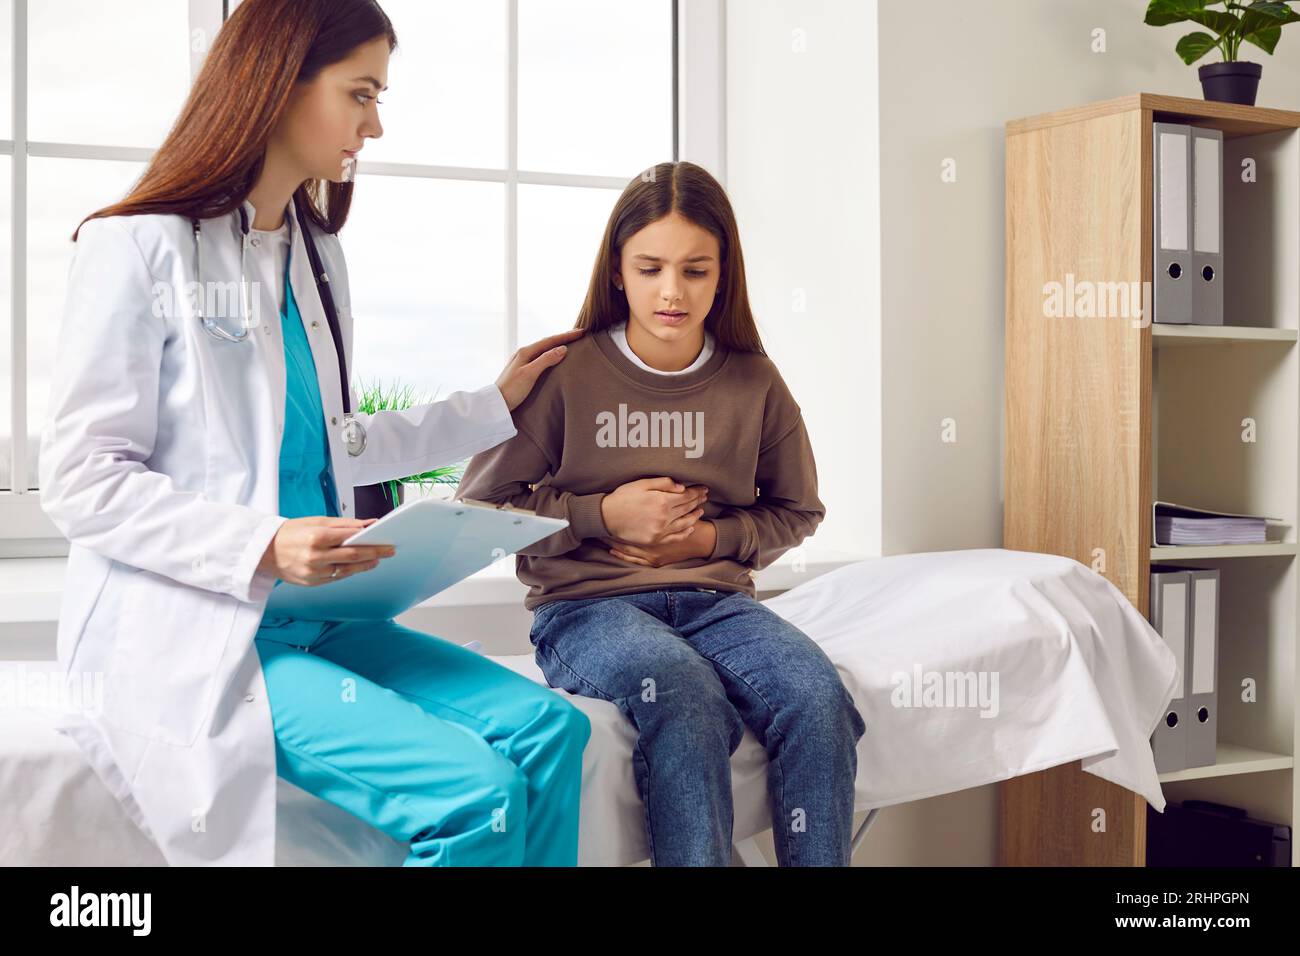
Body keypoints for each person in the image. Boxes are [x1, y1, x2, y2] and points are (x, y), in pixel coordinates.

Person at [39, 0, 589, 867]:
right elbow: (81, 479)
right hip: (213, 630)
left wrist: (493, 404)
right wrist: (264, 543)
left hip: (320, 617)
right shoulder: (136, 249)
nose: (376, 122)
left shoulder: (314, 255)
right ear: (278, 83)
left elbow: (336, 440)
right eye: (361, 92)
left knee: (552, 731)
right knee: (473, 793)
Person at [456, 160, 867, 866]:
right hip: (586, 611)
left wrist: (713, 537)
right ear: (617, 270)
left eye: (695, 270)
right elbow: (482, 505)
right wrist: (600, 515)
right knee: (683, 694)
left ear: (722, 275)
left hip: (717, 604)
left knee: (816, 695)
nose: (671, 292)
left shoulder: (755, 382)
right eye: (650, 268)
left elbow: (797, 510)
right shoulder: (565, 374)